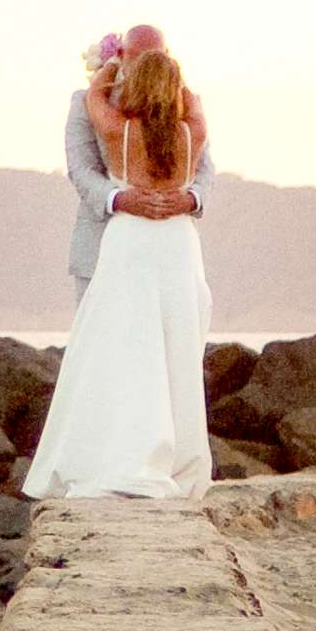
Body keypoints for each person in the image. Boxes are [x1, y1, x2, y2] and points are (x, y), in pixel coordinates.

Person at [21, 40, 214, 503]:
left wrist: (106, 69)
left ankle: (122, 459)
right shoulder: (193, 128)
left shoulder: (116, 127)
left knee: (121, 355)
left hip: (131, 243)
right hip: (176, 245)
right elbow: (80, 169)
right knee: (173, 350)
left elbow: (94, 97)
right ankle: (175, 461)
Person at [63, 22, 215, 311]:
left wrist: (190, 199)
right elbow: (80, 169)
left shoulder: (185, 108)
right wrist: (119, 199)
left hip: (171, 250)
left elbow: (206, 168)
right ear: (122, 55)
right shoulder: (86, 102)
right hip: (100, 247)